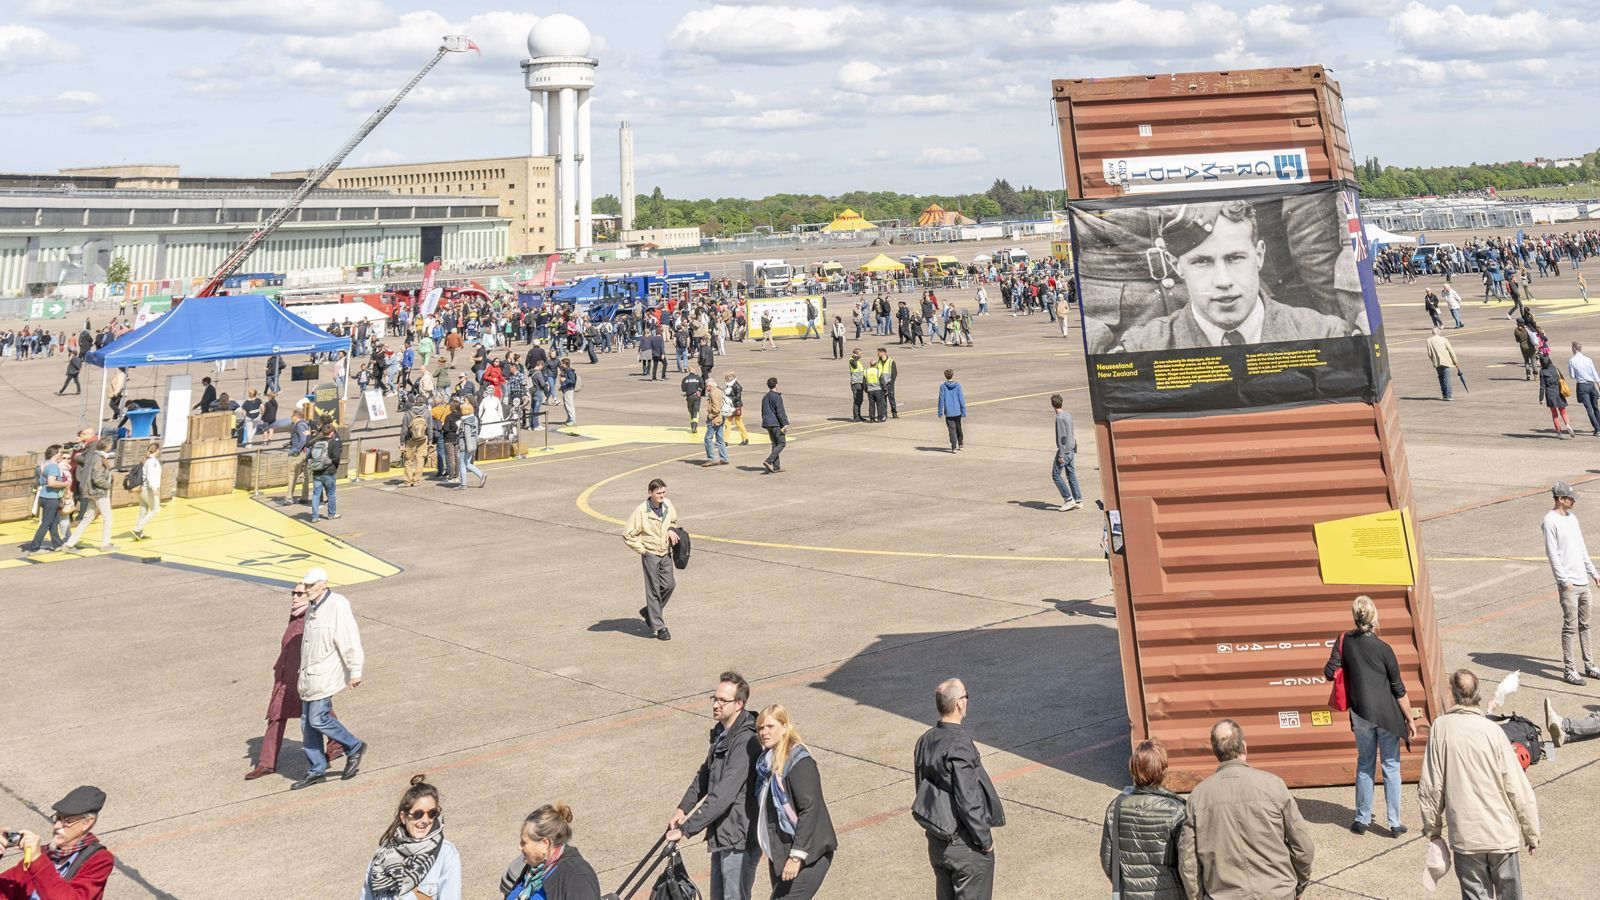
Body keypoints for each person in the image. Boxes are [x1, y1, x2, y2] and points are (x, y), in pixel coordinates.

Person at [1116, 201, 1355, 351]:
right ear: (1175, 265)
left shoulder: (1325, 335)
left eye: (1235, 258)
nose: (1223, 281)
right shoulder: (1142, 348)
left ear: (1259, 255)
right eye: (1202, 262)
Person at [1419, 670, 1539, 900]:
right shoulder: (1493, 731)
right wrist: (1531, 832)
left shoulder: (1440, 728)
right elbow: (1518, 786)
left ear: (1453, 694)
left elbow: (1431, 787)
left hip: (1466, 838)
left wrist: (1433, 830)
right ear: (1478, 694)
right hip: (1501, 836)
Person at [1178, 719, 1314, 899]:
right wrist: (1296, 886)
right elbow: (1303, 847)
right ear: (1244, 746)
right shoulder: (1273, 785)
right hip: (1277, 892)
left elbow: (1188, 861)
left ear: (1215, 752)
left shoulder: (1198, 796)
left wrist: (1198, 896)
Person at [1323, 595, 1416, 836]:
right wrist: (1409, 719)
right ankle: (1394, 823)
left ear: (1355, 617)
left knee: (1365, 763)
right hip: (1387, 716)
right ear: (1374, 618)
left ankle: (1361, 819)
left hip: (1360, 714)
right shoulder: (1385, 649)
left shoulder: (1343, 640)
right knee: (1391, 766)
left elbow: (1329, 671)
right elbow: (1398, 689)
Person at [666, 673, 761, 900]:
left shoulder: (746, 741)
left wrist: (686, 829)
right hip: (723, 834)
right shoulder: (722, 733)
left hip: (739, 837)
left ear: (739, 704)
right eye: (714, 698)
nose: (716, 705)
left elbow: (723, 794)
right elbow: (704, 775)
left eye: (722, 700)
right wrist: (682, 809)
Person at [913, 679, 1005, 900]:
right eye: (966, 696)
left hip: (938, 843)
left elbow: (921, 788)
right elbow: (968, 800)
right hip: (965, 848)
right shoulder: (960, 744)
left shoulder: (925, 740)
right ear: (959, 705)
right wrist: (985, 841)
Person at [245, 582, 346, 780]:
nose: (294, 596)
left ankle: (338, 744)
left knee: (320, 714)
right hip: (285, 677)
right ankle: (267, 763)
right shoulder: (295, 615)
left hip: (304, 677)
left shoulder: (312, 616)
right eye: (293, 592)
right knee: (277, 716)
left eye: (299, 593)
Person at [292, 567, 367, 790]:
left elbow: (349, 638)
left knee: (318, 718)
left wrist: (356, 670)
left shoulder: (337, 604)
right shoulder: (311, 609)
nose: (307, 590)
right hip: (308, 677)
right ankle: (316, 769)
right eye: (305, 585)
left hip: (325, 675)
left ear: (323, 584)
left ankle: (353, 746)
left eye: (311, 585)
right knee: (307, 724)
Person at [753, 705, 836, 899]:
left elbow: (810, 808)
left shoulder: (798, 761)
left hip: (807, 854)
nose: (764, 732)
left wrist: (796, 856)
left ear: (784, 727)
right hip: (780, 853)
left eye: (770, 726)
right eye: (760, 728)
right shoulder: (766, 763)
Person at [1099, 740, 1189, 900]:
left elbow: (1108, 861)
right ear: (1163, 770)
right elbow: (1187, 864)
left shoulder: (1116, 808)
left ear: (1133, 770)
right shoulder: (1177, 811)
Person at [0, 785, 113, 900]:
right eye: (58, 818)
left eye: (67, 820)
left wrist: (37, 861)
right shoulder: (44, 853)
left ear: (86, 823)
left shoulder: (100, 860)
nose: (56, 826)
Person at [363, 775, 461, 900]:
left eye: (432, 814)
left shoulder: (446, 853)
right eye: (418, 814)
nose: (425, 820)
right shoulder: (382, 857)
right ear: (403, 817)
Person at [1541, 480, 1600, 685]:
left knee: (1586, 625)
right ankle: (1569, 669)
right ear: (1560, 499)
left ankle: (1590, 665)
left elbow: (1581, 548)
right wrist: (1563, 581)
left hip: (1583, 581)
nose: (1573, 501)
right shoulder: (1549, 521)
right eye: (1570, 498)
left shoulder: (1573, 519)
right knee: (1570, 627)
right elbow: (1552, 555)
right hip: (1569, 585)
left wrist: (1593, 572)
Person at [500, 803, 602, 900]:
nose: (519, 847)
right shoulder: (535, 869)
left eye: (524, 843)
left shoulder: (577, 877)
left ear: (545, 844)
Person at [624, 478, 680, 641]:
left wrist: (671, 529)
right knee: (653, 589)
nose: (662, 495)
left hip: (665, 552)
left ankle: (649, 611)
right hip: (651, 554)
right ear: (650, 493)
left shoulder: (668, 505)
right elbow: (628, 534)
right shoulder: (641, 511)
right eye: (658, 493)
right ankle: (659, 626)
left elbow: (674, 521)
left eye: (663, 492)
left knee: (670, 585)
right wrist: (643, 550)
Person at [61, 438, 113, 553]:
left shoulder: (94, 456)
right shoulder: (99, 458)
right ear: (108, 447)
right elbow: (97, 477)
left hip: (89, 491)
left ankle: (69, 544)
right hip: (98, 492)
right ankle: (105, 544)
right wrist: (107, 485)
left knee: (88, 517)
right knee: (107, 517)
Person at [19, 444, 70, 554]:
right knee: (46, 523)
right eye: (61, 453)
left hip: (43, 496)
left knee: (53, 521)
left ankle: (58, 544)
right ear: (55, 454)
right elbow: (51, 483)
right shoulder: (53, 467)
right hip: (51, 498)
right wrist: (65, 484)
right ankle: (34, 547)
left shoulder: (43, 464)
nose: (62, 455)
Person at [1050, 394, 1081, 512]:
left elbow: (1062, 438)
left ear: (1053, 405)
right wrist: (1075, 446)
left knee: (1056, 475)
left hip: (1065, 451)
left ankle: (1069, 500)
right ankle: (1078, 500)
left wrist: (1061, 455)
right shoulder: (1067, 414)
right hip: (1072, 448)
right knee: (1071, 475)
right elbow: (1071, 431)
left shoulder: (1059, 418)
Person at [307, 421, 342, 522]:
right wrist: (334, 467)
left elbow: (310, 457)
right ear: (331, 433)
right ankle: (331, 514)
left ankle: (314, 517)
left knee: (316, 494)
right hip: (329, 472)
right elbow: (336, 458)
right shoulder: (333, 442)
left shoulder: (316, 443)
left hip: (316, 472)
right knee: (331, 494)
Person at [453, 400, 487, 490]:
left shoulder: (466, 421)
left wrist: (468, 446)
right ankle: (481, 475)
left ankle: (463, 484)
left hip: (465, 445)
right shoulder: (474, 418)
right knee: (468, 463)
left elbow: (467, 435)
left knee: (462, 464)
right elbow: (475, 434)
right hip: (472, 443)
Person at [130, 441, 162, 540]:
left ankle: (139, 533)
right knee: (155, 509)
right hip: (148, 489)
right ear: (157, 450)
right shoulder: (152, 462)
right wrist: (154, 488)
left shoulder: (148, 460)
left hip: (143, 489)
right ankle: (137, 529)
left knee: (143, 511)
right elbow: (150, 476)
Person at [1538, 353, 1573, 437]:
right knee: (1563, 411)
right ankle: (1568, 424)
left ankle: (1559, 432)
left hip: (1550, 393)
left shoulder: (1542, 372)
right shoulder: (1555, 368)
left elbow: (1542, 386)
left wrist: (1541, 398)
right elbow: (1562, 378)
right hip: (1559, 392)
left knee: (1554, 414)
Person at [1569, 341, 1600, 435]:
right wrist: (1598, 383)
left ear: (1574, 349)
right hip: (1591, 384)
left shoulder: (1572, 361)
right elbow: (1594, 372)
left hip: (1582, 386)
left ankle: (1597, 429)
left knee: (1589, 409)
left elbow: (1572, 376)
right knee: (1596, 407)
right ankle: (1599, 426)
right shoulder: (1588, 359)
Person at [400, 398, 430, 487]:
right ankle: (417, 480)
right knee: (420, 459)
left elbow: (404, 429)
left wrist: (402, 441)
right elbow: (430, 426)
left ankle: (408, 481)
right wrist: (431, 439)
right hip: (423, 439)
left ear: (415, 402)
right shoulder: (427, 412)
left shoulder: (408, 413)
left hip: (410, 439)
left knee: (408, 460)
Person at [1425, 327, 1461, 401]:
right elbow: (1451, 351)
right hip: (1446, 361)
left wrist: (1433, 361)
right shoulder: (1444, 340)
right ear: (1439, 332)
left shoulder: (1429, 340)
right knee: (1447, 378)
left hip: (1437, 362)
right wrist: (1455, 362)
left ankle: (1444, 394)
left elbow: (1429, 353)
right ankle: (1449, 395)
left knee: (1441, 378)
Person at [761, 377, 788, 474]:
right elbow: (780, 411)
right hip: (776, 424)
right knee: (782, 443)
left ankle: (776, 467)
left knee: (775, 444)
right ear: (776, 385)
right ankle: (769, 460)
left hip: (768, 423)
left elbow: (763, 411)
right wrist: (784, 424)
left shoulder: (765, 397)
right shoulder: (776, 397)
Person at [702, 376, 731, 467]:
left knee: (708, 439)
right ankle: (724, 458)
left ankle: (711, 459)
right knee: (720, 439)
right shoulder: (719, 391)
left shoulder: (713, 394)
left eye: (707, 386)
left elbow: (716, 408)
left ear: (710, 386)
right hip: (721, 418)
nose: (706, 388)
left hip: (715, 419)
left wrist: (710, 416)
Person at [937, 369, 966, 453]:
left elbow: (941, 399)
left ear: (945, 376)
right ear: (953, 376)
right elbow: (961, 399)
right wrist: (963, 410)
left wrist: (940, 411)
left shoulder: (943, 386)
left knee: (951, 430)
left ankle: (953, 446)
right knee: (958, 427)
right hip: (957, 411)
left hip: (949, 412)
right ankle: (961, 444)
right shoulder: (958, 386)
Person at [725, 372, 750, 445]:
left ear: (731, 377)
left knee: (739, 423)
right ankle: (725, 440)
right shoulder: (729, 385)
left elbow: (738, 397)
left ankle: (745, 438)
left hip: (736, 406)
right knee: (727, 423)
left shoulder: (737, 386)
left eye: (727, 378)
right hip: (729, 406)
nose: (726, 379)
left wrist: (729, 400)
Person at [874, 348, 899, 418]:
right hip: (882, 385)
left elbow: (894, 373)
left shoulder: (891, 361)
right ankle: (885, 414)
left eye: (879, 353)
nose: (877, 354)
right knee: (883, 400)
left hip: (889, 384)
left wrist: (891, 383)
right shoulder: (878, 362)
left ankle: (894, 413)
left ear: (884, 353)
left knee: (891, 399)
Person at [682, 369, 705, 434]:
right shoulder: (699, 378)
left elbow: (683, 389)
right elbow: (702, 386)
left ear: (689, 371)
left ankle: (692, 426)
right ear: (695, 371)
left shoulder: (685, 379)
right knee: (696, 411)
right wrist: (699, 390)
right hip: (697, 396)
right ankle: (694, 426)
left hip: (689, 397)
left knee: (691, 411)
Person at [848, 350, 867, 421]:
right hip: (856, 383)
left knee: (860, 400)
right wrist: (855, 357)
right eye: (860, 354)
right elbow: (854, 365)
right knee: (857, 400)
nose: (861, 355)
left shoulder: (858, 362)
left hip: (860, 382)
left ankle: (859, 415)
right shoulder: (852, 360)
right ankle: (856, 417)